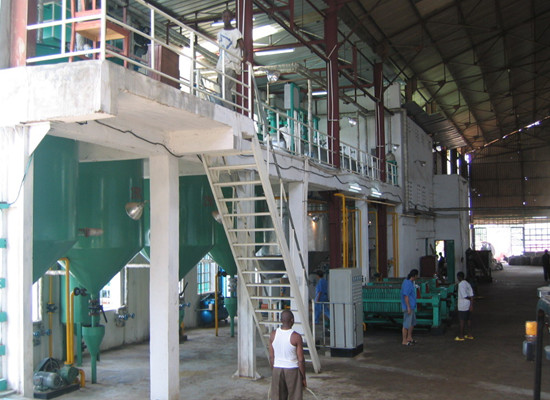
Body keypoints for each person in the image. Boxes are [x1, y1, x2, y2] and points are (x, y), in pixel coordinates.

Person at [269, 310, 306, 400]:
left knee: (277, 397)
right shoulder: (296, 337)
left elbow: (271, 357)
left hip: (277, 369)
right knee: (295, 397)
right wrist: (303, 377)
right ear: (292, 320)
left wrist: (274, 371)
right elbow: (300, 360)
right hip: (292, 370)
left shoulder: (273, 335)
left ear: (281, 320)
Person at [216, 9, 246, 108]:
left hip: (231, 64)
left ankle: (229, 110)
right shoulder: (220, 33)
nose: (226, 18)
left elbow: (243, 47)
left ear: (232, 18)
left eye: (228, 16)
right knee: (223, 87)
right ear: (222, 18)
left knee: (225, 87)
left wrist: (244, 57)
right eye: (224, 16)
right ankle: (227, 107)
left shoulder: (235, 32)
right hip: (221, 64)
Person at [400, 269, 418, 346]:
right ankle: (404, 340)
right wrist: (408, 307)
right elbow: (406, 296)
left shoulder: (411, 283)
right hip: (408, 307)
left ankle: (409, 337)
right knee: (406, 324)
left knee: (412, 323)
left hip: (412, 306)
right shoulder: (407, 283)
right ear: (414, 276)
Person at [455, 271, 474, 341]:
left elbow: (464, 296)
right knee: (468, 320)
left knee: (461, 321)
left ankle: (461, 336)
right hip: (468, 304)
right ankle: (469, 335)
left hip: (462, 305)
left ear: (459, 277)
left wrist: (468, 298)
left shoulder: (460, 285)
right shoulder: (467, 283)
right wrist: (471, 303)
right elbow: (472, 294)